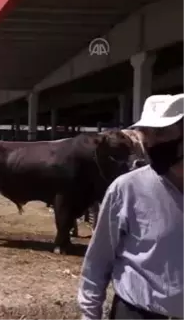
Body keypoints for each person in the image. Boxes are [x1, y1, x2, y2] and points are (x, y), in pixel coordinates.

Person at [78, 94, 184, 320]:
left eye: (162, 132)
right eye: (146, 133)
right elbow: (98, 260)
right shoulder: (127, 189)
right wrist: (89, 315)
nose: (150, 142)